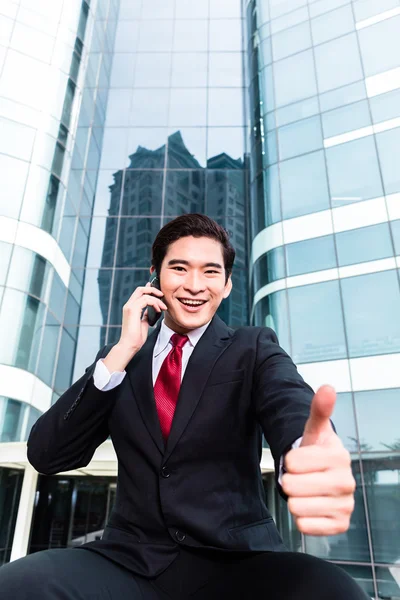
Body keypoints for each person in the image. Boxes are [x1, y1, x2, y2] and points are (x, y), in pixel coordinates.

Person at [0, 214, 367, 599]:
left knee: (334, 591)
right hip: (130, 563)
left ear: (226, 286)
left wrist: (305, 452)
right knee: (16, 585)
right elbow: (47, 454)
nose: (194, 285)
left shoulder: (252, 347)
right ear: (155, 275)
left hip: (237, 563)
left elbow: (288, 403)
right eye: (179, 268)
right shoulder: (121, 360)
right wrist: (122, 352)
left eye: (211, 272)